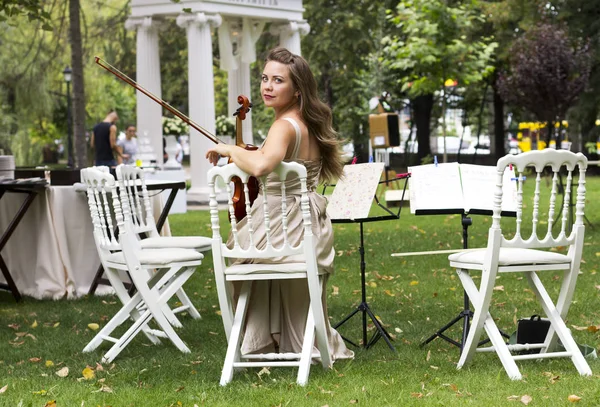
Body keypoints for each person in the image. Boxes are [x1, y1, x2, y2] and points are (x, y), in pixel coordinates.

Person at [206, 47, 354, 361]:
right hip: (307, 224)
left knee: (239, 255)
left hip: (281, 224)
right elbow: (263, 157)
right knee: (260, 261)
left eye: (278, 80)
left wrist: (228, 149)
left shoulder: (284, 126)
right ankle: (289, 340)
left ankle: (260, 338)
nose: (267, 87)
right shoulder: (306, 123)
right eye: (264, 78)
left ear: (297, 89)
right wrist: (243, 152)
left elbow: (262, 165)